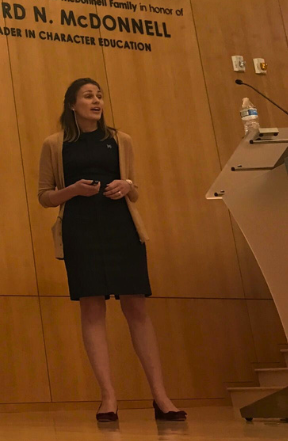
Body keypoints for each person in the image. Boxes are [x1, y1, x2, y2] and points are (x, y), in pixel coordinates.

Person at [38, 77, 186, 423]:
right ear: (71, 105)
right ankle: (108, 398)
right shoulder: (55, 144)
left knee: (136, 308)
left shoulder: (121, 140)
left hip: (122, 228)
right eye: (88, 96)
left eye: (99, 96)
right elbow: (45, 196)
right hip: (81, 231)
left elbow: (135, 189)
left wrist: (127, 185)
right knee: (92, 310)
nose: (96, 101)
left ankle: (161, 397)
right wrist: (73, 189)